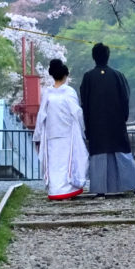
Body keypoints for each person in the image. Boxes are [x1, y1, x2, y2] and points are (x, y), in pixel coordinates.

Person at [78, 43, 135, 196]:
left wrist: (88, 123)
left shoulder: (88, 77)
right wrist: (123, 117)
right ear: (108, 56)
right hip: (116, 123)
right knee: (122, 153)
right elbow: (125, 98)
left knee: (99, 155)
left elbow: (84, 102)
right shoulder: (118, 75)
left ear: (94, 57)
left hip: (96, 124)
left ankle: (100, 190)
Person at [33, 59, 89, 200]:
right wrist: (83, 129)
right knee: (68, 162)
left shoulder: (47, 92)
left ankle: (55, 190)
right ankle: (67, 189)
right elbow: (77, 113)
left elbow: (41, 115)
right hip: (67, 132)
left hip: (52, 133)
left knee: (54, 163)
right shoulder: (69, 92)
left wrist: (37, 136)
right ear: (65, 75)